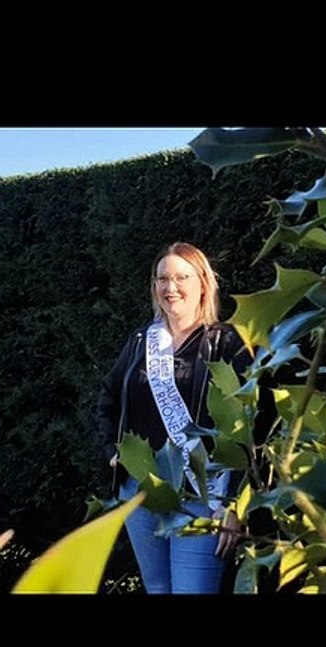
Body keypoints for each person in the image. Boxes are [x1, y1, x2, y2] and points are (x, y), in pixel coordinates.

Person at [96, 242, 252, 594]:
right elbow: (108, 397)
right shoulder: (141, 341)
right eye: (163, 279)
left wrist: (233, 503)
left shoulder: (227, 343)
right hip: (141, 491)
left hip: (203, 495)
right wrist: (112, 451)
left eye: (183, 277)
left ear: (203, 284)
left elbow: (250, 425)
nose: (171, 287)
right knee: (157, 589)